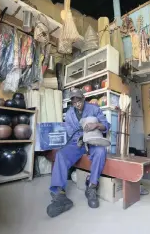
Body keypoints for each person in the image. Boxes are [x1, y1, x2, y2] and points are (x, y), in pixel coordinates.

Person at [47, 88, 110, 218]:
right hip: (78, 142)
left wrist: (96, 125)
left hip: (93, 140)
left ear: (84, 99)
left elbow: (106, 125)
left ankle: (92, 186)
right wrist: (81, 137)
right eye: (74, 101)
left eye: (79, 100)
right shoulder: (69, 114)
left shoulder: (94, 108)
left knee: (100, 151)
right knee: (61, 154)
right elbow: (70, 132)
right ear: (71, 102)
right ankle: (58, 193)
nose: (77, 104)